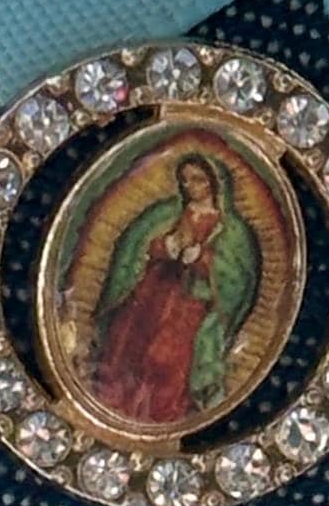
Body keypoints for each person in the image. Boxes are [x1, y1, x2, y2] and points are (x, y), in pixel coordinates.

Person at [89, 150, 262, 427]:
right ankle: (115, 411)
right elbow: (134, 246)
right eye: (185, 180)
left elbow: (239, 278)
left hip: (191, 304)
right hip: (151, 295)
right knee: (128, 349)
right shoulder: (166, 213)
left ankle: (160, 420)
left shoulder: (232, 230)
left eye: (198, 179)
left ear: (214, 183)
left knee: (167, 361)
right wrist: (164, 246)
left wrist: (204, 260)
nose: (190, 186)